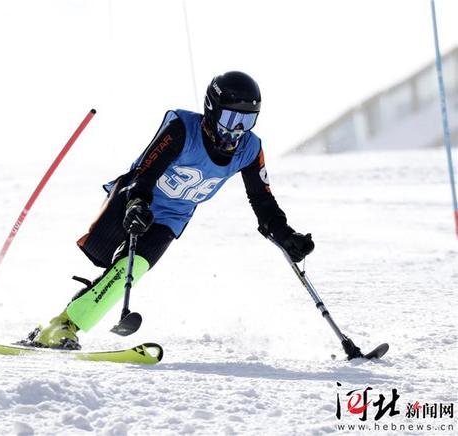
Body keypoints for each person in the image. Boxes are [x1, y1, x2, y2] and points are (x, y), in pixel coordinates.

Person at [23, 71, 315, 350]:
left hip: (172, 218)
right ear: (212, 110)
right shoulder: (182, 128)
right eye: (231, 118)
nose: (236, 130)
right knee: (102, 259)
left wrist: (285, 234)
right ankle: (52, 324)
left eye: (247, 121)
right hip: (138, 198)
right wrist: (137, 202)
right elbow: (146, 171)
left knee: (131, 268)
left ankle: (65, 325)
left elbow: (262, 200)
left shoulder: (250, 149)